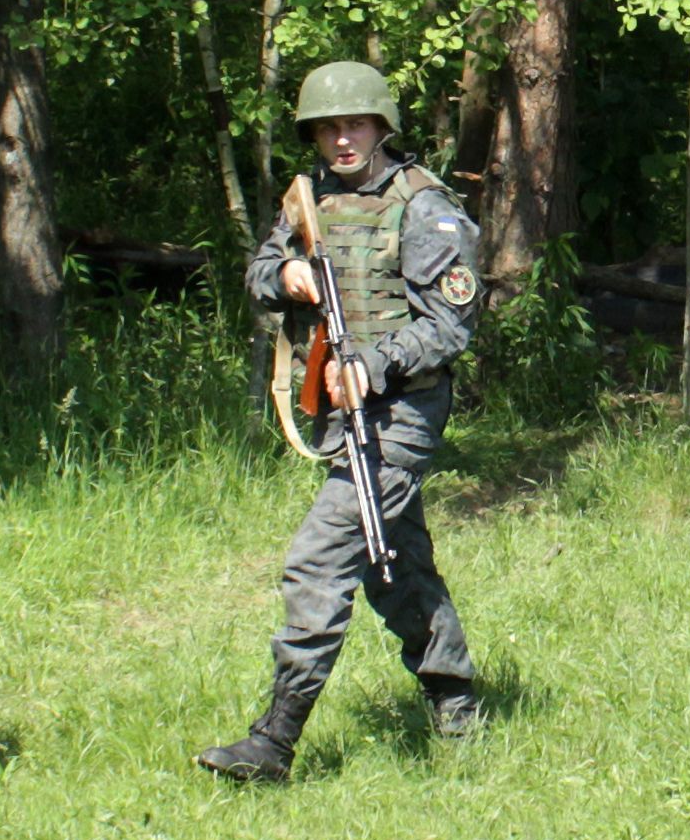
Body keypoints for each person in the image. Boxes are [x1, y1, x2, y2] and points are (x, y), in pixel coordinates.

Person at [198, 61, 486, 778]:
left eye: (354, 123)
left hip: (400, 411)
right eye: (327, 127)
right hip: (337, 408)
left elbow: (452, 322)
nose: (341, 139)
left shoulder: (424, 207)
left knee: (319, 562)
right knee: (396, 568)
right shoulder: (310, 202)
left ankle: (274, 741)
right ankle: (454, 696)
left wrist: (375, 362)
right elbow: (260, 273)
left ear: (382, 125)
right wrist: (285, 275)